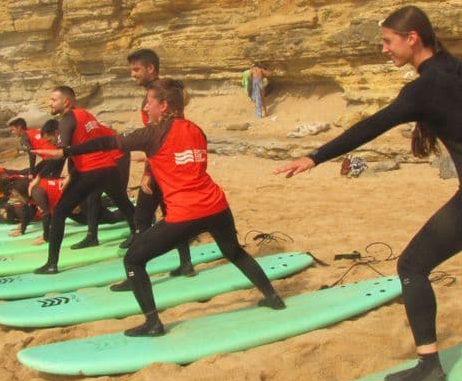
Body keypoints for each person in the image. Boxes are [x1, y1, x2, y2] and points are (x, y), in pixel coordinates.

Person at [274, 6, 462, 381]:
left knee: (412, 265)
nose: (384, 49)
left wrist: (315, 157)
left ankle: (429, 367)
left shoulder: (423, 88)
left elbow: (371, 126)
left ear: (413, 38)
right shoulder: (458, 67)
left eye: (388, 41)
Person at [34, 78, 286, 336]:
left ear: (163, 105)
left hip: (186, 213)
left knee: (133, 259)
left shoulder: (153, 133)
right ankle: (273, 297)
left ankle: (153, 323)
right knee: (234, 252)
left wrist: (65, 153)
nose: (145, 108)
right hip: (217, 205)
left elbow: (106, 143)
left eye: (149, 103)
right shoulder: (196, 129)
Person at [33, 86, 136, 274]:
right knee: (124, 204)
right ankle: (137, 236)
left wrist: (41, 174)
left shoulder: (66, 120)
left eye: (53, 100)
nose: (50, 103)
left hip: (90, 170)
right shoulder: (87, 115)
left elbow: (62, 153)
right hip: (109, 167)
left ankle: (51, 264)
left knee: (59, 213)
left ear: (66, 102)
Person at [123, 49, 194, 281]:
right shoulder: (166, 92)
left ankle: (136, 274)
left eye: (136, 69)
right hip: (168, 166)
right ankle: (186, 264)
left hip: (161, 169)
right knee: (172, 214)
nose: (133, 74)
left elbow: (159, 136)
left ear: (150, 68)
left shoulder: (156, 96)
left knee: (142, 218)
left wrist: (148, 171)